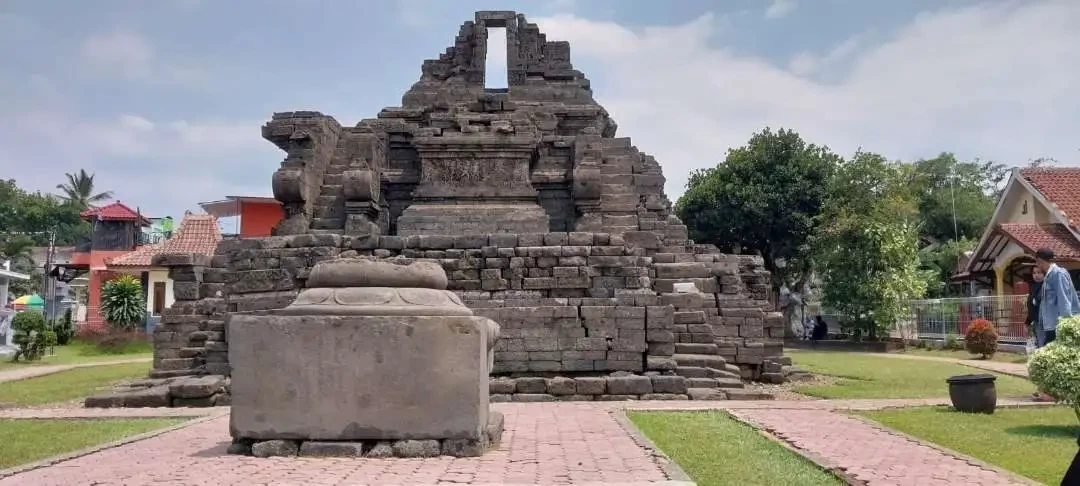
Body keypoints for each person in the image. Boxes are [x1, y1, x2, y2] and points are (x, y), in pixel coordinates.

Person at [1035, 248, 1080, 347]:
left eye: (1037, 262)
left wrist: (1066, 325)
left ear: (1040, 261)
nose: (1037, 265)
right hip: (1051, 325)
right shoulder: (1048, 276)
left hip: (1058, 325)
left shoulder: (1058, 274)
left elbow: (1064, 299)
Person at [1026, 264, 1045, 346]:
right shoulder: (1033, 287)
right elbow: (1031, 306)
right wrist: (1028, 322)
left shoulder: (1046, 286)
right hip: (1037, 322)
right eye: (1034, 273)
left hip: (1046, 322)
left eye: (1039, 272)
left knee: (1044, 345)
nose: (1036, 275)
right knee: (1040, 345)